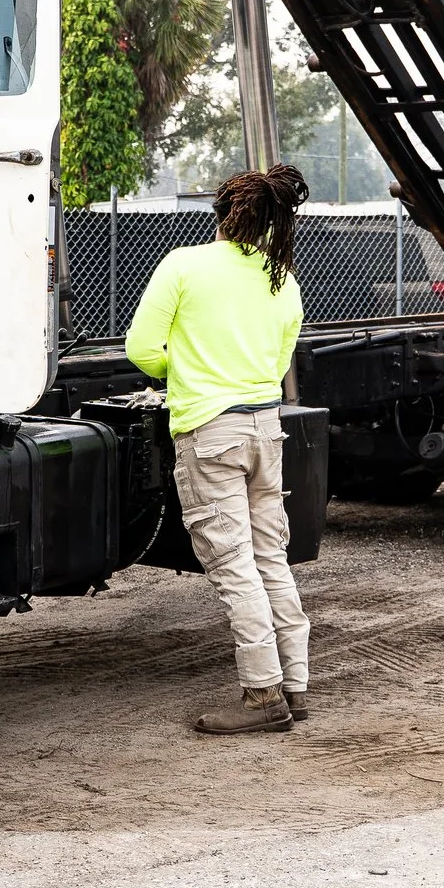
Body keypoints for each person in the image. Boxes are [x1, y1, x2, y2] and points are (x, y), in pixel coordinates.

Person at [125, 164, 313, 734]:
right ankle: (296, 686)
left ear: (223, 213)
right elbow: (280, 365)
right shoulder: (284, 279)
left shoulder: (185, 265)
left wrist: (181, 373)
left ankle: (262, 696)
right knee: (269, 557)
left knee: (233, 565)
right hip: (265, 429)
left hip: (211, 432)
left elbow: (141, 349)